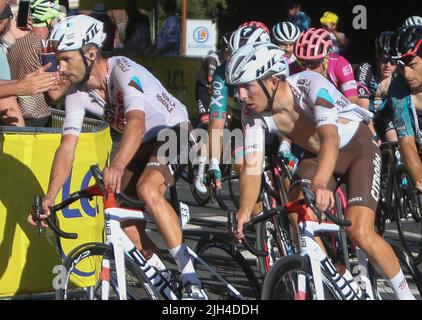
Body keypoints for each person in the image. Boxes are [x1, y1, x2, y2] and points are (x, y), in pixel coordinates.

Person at [27, 15, 207, 300]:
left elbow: (135, 122)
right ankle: (165, 280)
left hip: (175, 131)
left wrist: (118, 164)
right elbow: (67, 147)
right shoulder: (77, 94)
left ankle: (192, 281)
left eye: (65, 59)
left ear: (89, 53)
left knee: (148, 188)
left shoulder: (123, 69)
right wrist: (49, 195)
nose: (59, 68)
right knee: (119, 214)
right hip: (143, 143)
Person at [227, 42, 415, 300]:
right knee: (296, 209)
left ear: (271, 81)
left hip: (356, 148)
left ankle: (406, 296)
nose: (241, 96)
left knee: (360, 231)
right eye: (237, 88)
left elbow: (330, 140)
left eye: (246, 86)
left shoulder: (309, 84)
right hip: (318, 156)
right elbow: (251, 165)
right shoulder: (253, 115)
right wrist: (245, 209)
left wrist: (319, 183)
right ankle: (340, 280)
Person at [7, 0, 69, 127]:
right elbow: (54, 94)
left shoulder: (14, 42)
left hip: (13, 113)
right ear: (53, 22)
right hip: (38, 116)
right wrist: (74, 75)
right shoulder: (47, 45)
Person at [390, 25, 422, 192]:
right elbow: (406, 141)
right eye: (401, 67)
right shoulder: (398, 88)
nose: (407, 74)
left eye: (413, 65)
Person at [294, 28, 359, 104]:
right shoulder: (294, 66)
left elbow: (353, 103)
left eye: (313, 65)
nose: (307, 70)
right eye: (302, 63)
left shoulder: (339, 64)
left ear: (326, 59)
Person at [355, 31, 398, 142]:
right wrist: (374, 135)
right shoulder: (366, 68)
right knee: (370, 142)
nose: (388, 65)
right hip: (363, 115)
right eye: (384, 60)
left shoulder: (401, 73)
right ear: (377, 57)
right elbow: (362, 109)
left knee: (394, 140)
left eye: (393, 60)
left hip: (384, 115)